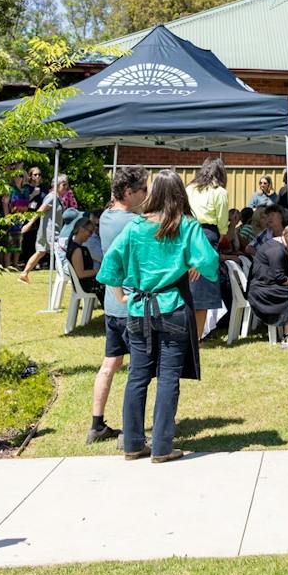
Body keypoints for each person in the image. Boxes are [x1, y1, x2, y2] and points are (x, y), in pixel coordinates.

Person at [96, 169, 217, 463]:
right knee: (167, 378)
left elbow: (110, 263)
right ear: (179, 194)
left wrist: (121, 296)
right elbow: (211, 262)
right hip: (172, 307)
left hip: (138, 309)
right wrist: (192, 263)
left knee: (137, 375)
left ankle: (133, 444)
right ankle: (162, 447)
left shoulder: (136, 226)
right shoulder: (186, 226)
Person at [88, 166, 147, 445]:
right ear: (128, 192)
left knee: (110, 364)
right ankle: (130, 433)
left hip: (112, 306)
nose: (146, 195)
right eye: (143, 190)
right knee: (139, 371)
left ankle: (96, 425)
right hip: (130, 305)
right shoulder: (132, 224)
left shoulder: (107, 218)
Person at [185, 160, 229, 339]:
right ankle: (197, 337)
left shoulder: (190, 188)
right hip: (207, 235)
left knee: (187, 287)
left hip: (187, 234)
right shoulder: (219, 192)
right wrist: (223, 235)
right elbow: (222, 222)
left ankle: (188, 334)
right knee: (202, 293)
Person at [21, 174, 76, 283]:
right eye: (63, 185)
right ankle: (68, 277)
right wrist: (29, 224)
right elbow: (40, 210)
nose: (66, 187)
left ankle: (24, 274)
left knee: (40, 252)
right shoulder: (52, 197)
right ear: (56, 185)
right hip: (51, 232)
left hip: (46, 231)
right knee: (62, 252)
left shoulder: (57, 198)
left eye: (67, 185)